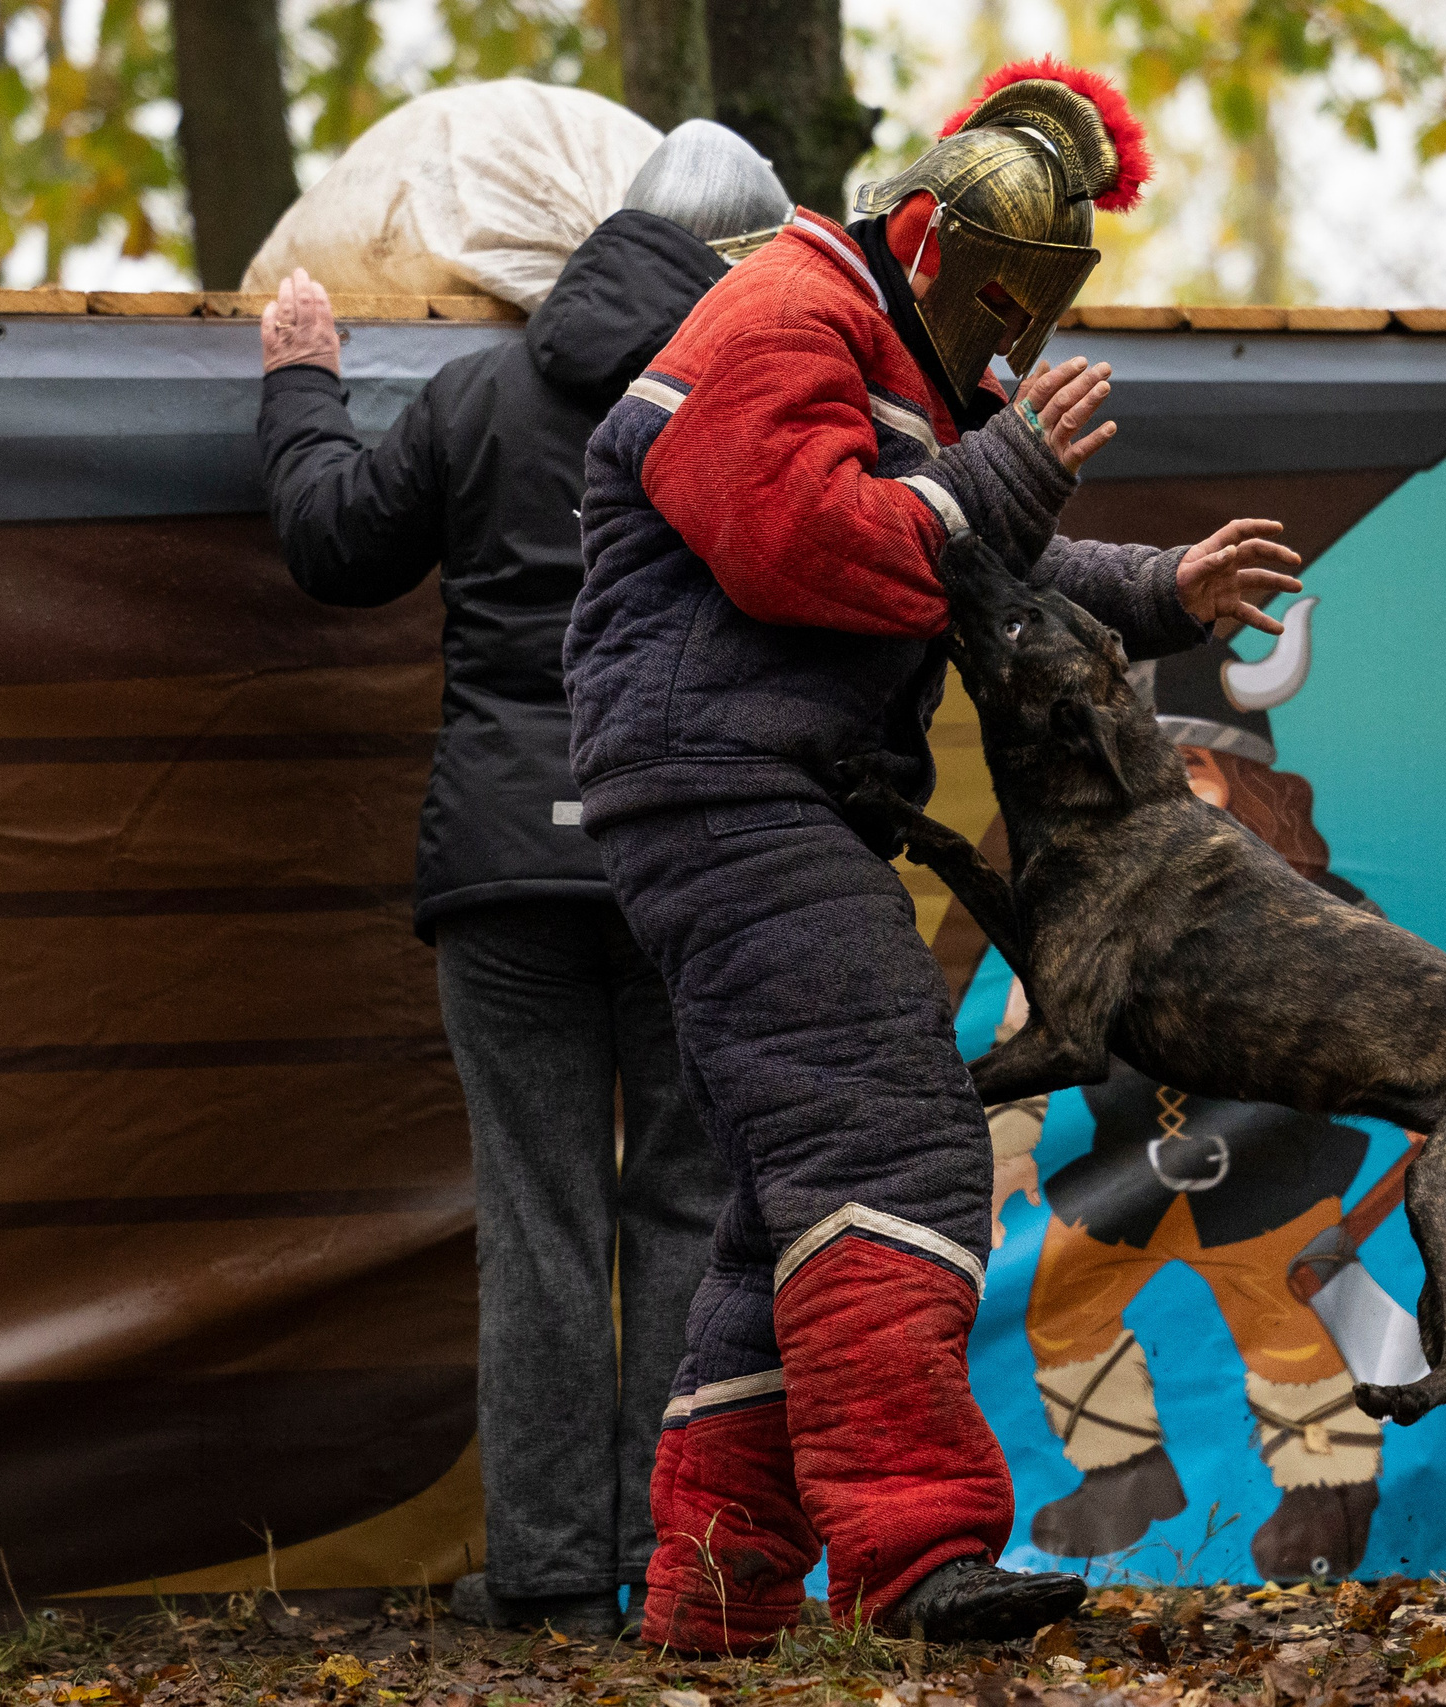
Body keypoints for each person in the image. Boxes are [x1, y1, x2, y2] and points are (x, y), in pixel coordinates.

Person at [562, 58, 1307, 1652]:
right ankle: (917, 1560)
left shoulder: (900, 346)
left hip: (755, 790)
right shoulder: (784, 310)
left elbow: (990, 555)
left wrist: (1167, 583)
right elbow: (804, 540)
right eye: (1000, 297)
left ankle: (713, 1595)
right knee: (892, 1144)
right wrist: (1013, 468)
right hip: (721, 789)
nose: (1011, 343)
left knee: (793, 1204)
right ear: (925, 239)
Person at [253, 121, 795, 1641]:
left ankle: (550, 1569)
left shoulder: (478, 392)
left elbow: (333, 544)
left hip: (503, 865)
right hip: (691, 856)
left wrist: (302, 378)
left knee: (539, 1211)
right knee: (691, 1202)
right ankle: (675, 1566)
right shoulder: (752, 408)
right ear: (750, 263)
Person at [988, 623, 1416, 1582]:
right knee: (1060, 1313)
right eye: (1150, 768)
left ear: (1245, 782)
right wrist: (1010, 1146)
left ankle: (1324, 1503)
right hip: (1120, 1177)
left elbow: (1401, 1017)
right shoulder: (1079, 911)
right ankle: (1126, 1479)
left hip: (1270, 1186)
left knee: (1295, 1343)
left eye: (1195, 766)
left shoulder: (1326, 910)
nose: (1175, 791)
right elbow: (1027, 1035)